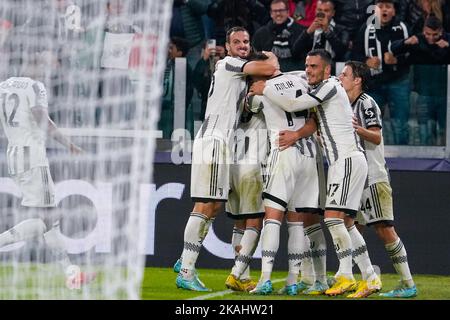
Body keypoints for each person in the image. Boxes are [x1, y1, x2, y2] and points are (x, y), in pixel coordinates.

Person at [249, 49, 381, 297]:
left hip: (347, 161)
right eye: (307, 66)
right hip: (342, 162)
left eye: (314, 66)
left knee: (332, 218)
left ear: (327, 71)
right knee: (347, 223)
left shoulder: (330, 86)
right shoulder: (321, 88)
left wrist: (264, 88)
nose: (308, 70)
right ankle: (371, 278)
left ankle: (345, 276)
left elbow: (294, 104)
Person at [175, 26, 278, 292]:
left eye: (246, 41)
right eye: (237, 42)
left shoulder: (237, 72)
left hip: (220, 143)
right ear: (227, 46)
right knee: (206, 205)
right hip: (214, 141)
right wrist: (270, 56)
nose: (243, 45)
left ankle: (186, 258)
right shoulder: (229, 64)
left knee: (215, 205)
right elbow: (268, 69)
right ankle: (186, 269)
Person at [0, 49, 95, 288]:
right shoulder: (35, 86)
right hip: (32, 155)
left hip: (13, 154)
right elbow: (41, 117)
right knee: (47, 219)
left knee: (49, 219)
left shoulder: (4, 86)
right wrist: (70, 145)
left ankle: (71, 272)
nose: (48, 70)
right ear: (35, 65)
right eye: (46, 65)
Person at [338, 60, 417, 298]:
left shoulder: (366, 103)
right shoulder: (344, 104)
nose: (340, 78)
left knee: (384, 229)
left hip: (373, 176)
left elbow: (376, 137)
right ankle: (363, 276)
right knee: (350, 226)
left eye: (344, 74)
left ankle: (407, 283)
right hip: (356, 177)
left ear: (357, 80)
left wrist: (357, 129)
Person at [244, 62, 323, 296]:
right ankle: (291, 281)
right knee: (297, 222)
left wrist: (252, 91)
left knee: (273, 218)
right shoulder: (301, 79)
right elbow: (315, 117)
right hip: (308, 153)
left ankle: (265, 279)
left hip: (283, 150)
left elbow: (247, 107)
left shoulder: (261, 89)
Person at [351, 0, 411, 145]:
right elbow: (353, 55)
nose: (384, 10)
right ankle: (372, 157)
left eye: (388, 6)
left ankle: (403, 157)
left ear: (394, 11)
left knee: (400, 123)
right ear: (374, 9)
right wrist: (366, 61)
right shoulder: (365, 28)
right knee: (371, 124)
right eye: (380, 6)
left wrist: (398, 60)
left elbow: (413, 54)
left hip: (399, 81)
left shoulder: (402, 28)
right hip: (373, 85)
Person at [391, 15, 450, 145]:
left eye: (435, 34)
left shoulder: (447, 39)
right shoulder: (418, 39)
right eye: (428, 34)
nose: (431, 37)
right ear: (424, 30)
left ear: (441, 31)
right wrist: (405, 42)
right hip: (422, 94)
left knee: (445, 129)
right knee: (425, 130)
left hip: (445, 95)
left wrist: (448, 46)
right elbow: (393, 49)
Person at [292, 0, 349, 68]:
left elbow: (341, 52)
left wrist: (327, 30)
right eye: (319, 10)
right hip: (310, 68)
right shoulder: (308, 30)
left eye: (326, 11)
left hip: (332, 68)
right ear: (315, 11)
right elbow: (295, 52)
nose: (322, 14)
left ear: (333, 13)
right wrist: (308, 32)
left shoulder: (342, 30)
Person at [252, 0, 305, 72]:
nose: (278, 14)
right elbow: (255, 58)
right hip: (270, 74)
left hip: (296, 74)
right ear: (271, 13)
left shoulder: (300, 31)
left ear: (287, 12)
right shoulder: (261, 33)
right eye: (275, 11)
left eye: (281, 10)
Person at [159, 36, 194, 139]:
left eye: (171, 48)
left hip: (176, 110)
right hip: (166, 107)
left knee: (172, 135)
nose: (168, 51)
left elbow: (188, 90)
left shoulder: (184, 68)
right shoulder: (167, 64)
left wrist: (180, 107)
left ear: (180, 53)